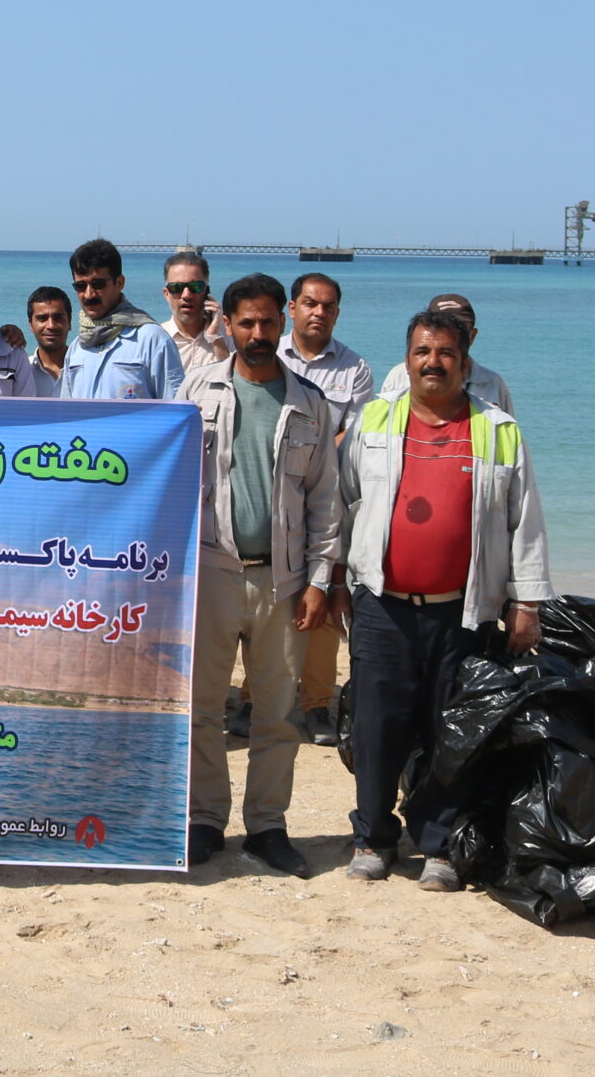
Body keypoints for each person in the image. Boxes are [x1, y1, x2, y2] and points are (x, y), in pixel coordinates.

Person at [337, 308, 552, 888]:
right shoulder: (374, 419)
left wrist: (526, 603)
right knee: (376, 728)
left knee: (450, 731)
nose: (432, 363)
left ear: (464, 361)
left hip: (463, 610)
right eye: (422, 352)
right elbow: (344, 501)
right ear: (407, 359)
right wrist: (335, 578)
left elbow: (524, 521)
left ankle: (438, 844)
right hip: (382, 605)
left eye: (445, 353)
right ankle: (373, 838)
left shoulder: (498, 429)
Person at [175, 274, 341, 876]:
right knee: (203, 710)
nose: (258, 332)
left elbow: (325, 500)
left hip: (284, 582)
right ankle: (204, 821)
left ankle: (268, 827)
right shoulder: (196, 392)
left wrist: (320, 581)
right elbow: (168, 480)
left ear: (285, 321)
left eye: (269, 321)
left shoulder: (309, 403)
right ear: (229, 324)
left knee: (276, 714)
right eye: (246, 322)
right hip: (211, 574)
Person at [276, 271, 374, 744]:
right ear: (291, 308)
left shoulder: (355, 369)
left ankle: (316, 703)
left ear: (337, 313)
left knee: (324, 592)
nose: (319, 312)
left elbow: (354, 436)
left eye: (328, 306)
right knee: (270, 599)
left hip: (327, 499)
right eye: (310, 304)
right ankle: (255, 697)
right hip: (274, 494)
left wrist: (306, 453)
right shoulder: (270, 354)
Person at [58, 239, 184, 400]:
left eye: (98, 284)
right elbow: (67, 409)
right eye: (80, 286)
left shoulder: (152, 340)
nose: (89, 294)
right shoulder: (77, 348)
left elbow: (175, 406)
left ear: (119, 283)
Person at [378, 292, 512, 413]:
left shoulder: (492, 383)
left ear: (472, 335)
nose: (451, 334)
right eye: (441, 326)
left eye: (461, 328)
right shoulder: (398, 376)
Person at [160, 248, 233, 378]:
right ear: (166, 294)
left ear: (207, 291)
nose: (186, 295)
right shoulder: (157, 338)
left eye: (195, 287)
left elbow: (234, 381)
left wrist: (215, 338)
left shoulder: (229, 335)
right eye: (176, 287)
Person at [23, 286, 72, 398]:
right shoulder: (23, 371)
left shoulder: (85, 369)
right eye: (42, 318)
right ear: (31, 325)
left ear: (69, 322)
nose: (51, 325)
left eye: (58, 318)